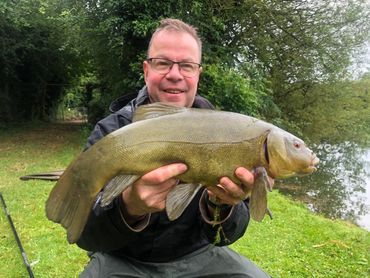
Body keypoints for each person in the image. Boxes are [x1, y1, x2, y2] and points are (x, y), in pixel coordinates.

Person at [78, 18, 270, 277]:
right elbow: (86, 236)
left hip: (196, 257)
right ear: (146, 70)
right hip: (123, 259)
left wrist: (221, 205)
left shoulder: (228, 133)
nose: (175, 74)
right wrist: (129, 207)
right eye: (163, 63)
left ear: (197, 74)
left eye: (187, 66)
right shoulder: (112, 131)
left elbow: (226, 236)